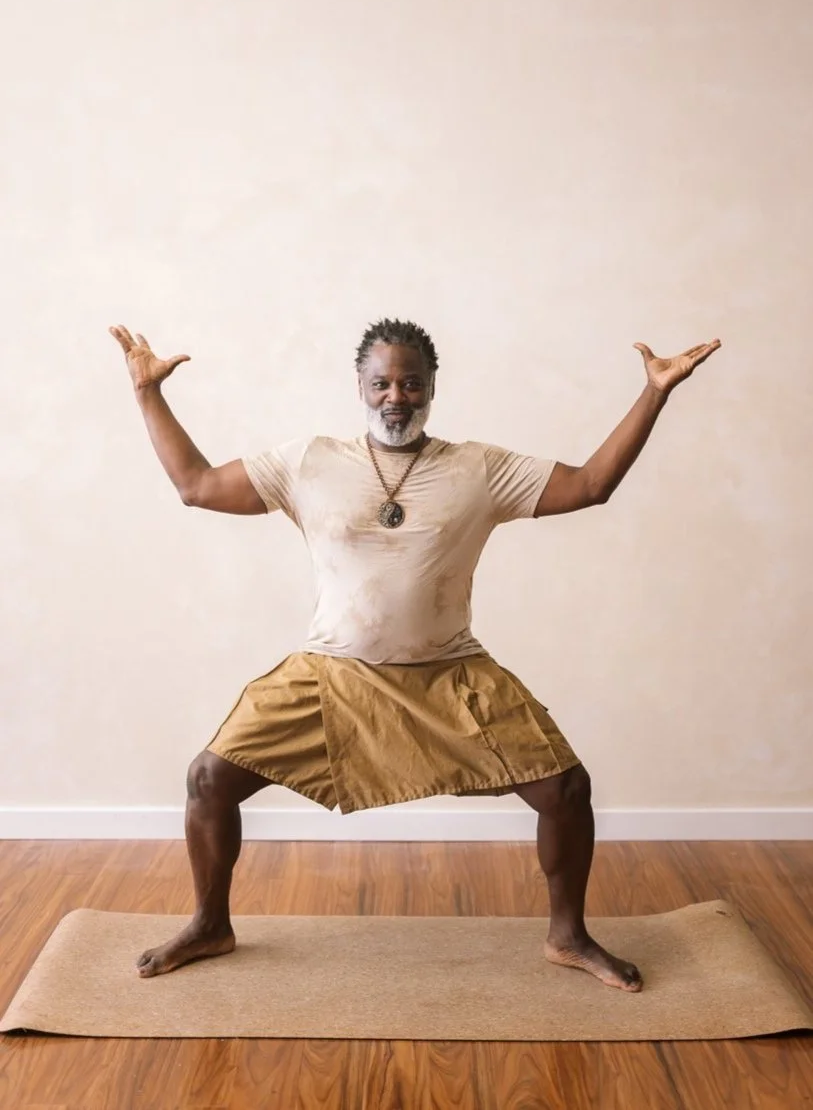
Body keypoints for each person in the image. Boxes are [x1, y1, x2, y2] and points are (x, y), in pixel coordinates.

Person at [108, 317, 721, 992]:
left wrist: (654, 393)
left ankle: (568, 936)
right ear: (359, 386)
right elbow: (196, 485)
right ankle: (209, 924)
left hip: (449, 675)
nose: (395, 397)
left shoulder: (478, 468)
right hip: (330, 674)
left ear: (431, 387)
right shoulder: (308, 461)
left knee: (566, 790)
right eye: (381, 384)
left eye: (410, 383)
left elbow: (589, 484)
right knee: (208, 779)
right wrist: (147, 393)